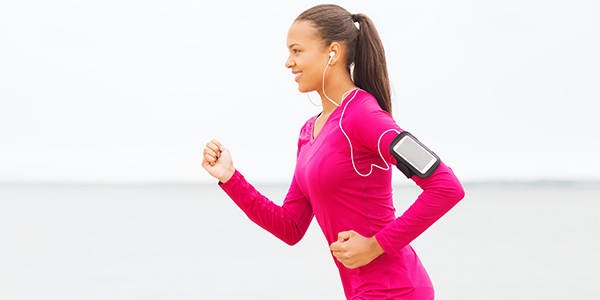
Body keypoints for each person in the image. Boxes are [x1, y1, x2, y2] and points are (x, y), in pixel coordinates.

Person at [202, 4, 464, 300]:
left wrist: (376, 244)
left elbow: (446, 186)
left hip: (395, 289)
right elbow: (291, 226)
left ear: (333, 53)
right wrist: (230, 178)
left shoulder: (364, 116)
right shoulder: (308, 133)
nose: (288, 62)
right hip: (361, 291)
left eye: (297, 51)